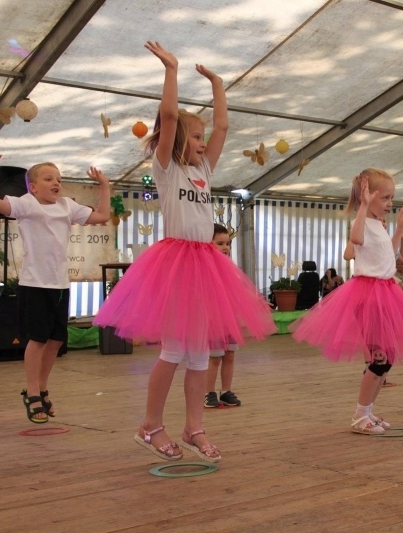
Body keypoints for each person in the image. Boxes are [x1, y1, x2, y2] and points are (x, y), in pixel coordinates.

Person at [94, 42, 275, 462]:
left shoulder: (203, 171)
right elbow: (170, 115)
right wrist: (171, 70)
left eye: (200, 137)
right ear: (176, 140)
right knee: (174, 351)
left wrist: (218, 85)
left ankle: (194, 426)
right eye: (195, 136)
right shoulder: (167, 167)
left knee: (199, 354)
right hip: (177, 263)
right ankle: (150, 425)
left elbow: (224, 128)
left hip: (206, 265)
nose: (201, 141)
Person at [290, 168, 403, 434]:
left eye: (392, 198)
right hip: (368, 295)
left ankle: (368, 411)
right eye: (385, 198)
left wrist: (399, 230)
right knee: (378, 359)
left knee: (386, 359)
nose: (390, 203)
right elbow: (355, 240)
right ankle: (359, 415)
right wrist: (363, 206)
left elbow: (390, 255)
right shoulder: (362, 220)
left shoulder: (378, 224)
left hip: (386, 292)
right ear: (367, 196)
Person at [0, 144, 111, 423]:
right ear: (33, 186)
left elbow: (102, 216)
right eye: (49, 178)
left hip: (60, 286)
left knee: (55, 341)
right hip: (35, 284)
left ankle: (41, 388)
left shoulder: (67, 206)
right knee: (37, 340)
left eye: (59, 179)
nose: (56, 183)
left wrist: (104, 186)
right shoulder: (26, 204)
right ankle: (32, 392)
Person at [204, 224, 241, 409]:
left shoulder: (229, 266)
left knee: (230, 354)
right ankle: (208, 392)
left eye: (228, 243)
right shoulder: (204, 266)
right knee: (214, 357)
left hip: (229, 317)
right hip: (213, 317)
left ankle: (226, 391)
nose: (225, 247)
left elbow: (238, 289)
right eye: (220, 243)